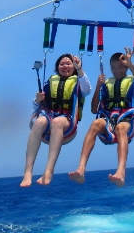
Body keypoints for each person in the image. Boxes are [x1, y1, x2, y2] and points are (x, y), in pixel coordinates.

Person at [68, 47, 134, 187]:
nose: (117, 71)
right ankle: (81, 169)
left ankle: (121, 172)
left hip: (127, 121)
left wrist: (131, 66)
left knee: (121, 127)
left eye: (121, 67)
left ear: (126, 67)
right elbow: (94, 109)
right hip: (108, 123)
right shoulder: (106, 84)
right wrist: (98, 86)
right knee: (96, 123)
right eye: (114, 68)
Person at [20, 54, 91, 187]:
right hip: (48, 125)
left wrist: (80, 69)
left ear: (74, 67)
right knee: (39, 121)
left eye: (68, 64)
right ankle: (28, 171)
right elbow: (36, 105)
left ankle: (49, 170)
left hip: (68, 126)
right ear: (57, 67)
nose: (65, 66)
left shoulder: (79, 82)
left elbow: (87, 89)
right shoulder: (51, 82)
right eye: (62, 64)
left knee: (57, 122)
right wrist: (37, 100)